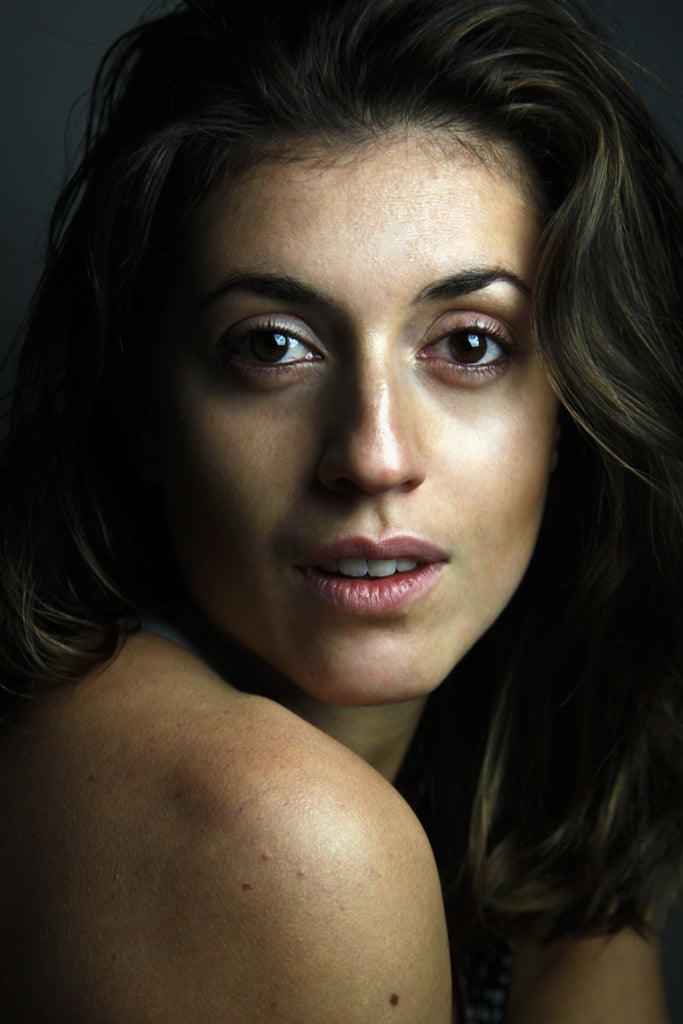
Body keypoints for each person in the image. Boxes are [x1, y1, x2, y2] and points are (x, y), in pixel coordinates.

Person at [0, 0, 681, 1020]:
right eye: (272, 345)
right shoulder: (280, 832)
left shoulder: (539, 746)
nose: (372, 456)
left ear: (573, 403)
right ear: (142, 406)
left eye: (468, 344)